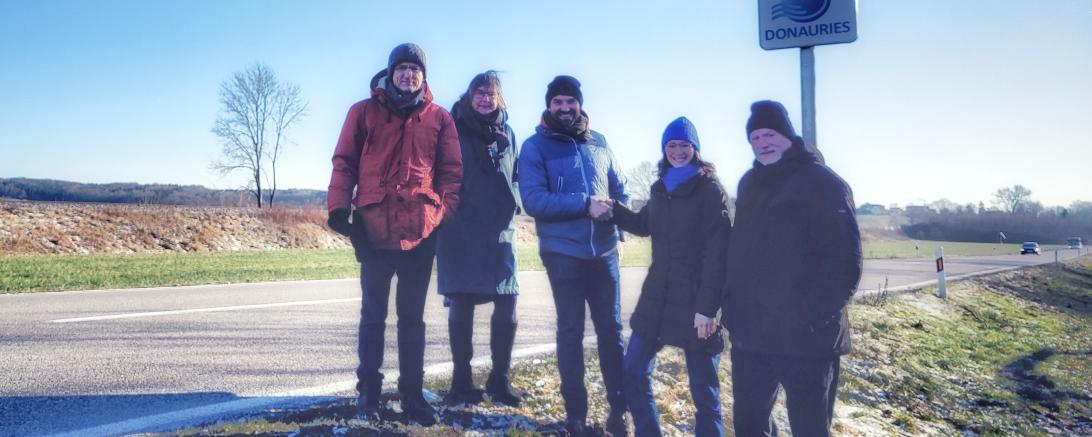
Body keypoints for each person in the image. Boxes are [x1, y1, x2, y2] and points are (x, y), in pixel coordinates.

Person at [326, 43, 462, 426]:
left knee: (412, 319)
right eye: (401, 68)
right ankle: (368, 394)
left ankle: (413, 395)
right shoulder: (363, 112)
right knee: (372, 316)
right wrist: (339, 208)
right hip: (372, 231)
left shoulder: (439, 119)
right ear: (390, 73)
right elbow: (344, 162)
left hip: (420, 233)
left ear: (424, 75)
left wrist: (439, 214)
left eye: (414, 69)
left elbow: (451, 174)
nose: (408, 75)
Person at [721, 100, 862, 437]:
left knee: (810, 429)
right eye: (754, 138)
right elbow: (738, 252)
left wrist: (810, 318)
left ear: (787, 136)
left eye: (769, 134)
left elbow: (844, 262)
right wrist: (733, 311)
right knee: (749, 426)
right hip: (753, 336)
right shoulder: (749, 184)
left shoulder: (824, 183)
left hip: (807, 339)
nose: (762, 143)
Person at [518, 75, 630, 436]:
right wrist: (584, 205)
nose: (564, 108)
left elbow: (619, 189)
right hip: (563, 253)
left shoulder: (599, 142)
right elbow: (533, 200)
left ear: (579, 103)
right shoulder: (535, 146)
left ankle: (619, 412)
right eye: (557, 103)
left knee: (612, 332)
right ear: (549, 107)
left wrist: (623, 233)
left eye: (570, 101)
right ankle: (576, 416)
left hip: (605, 253)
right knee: (571, 332)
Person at [613, 117, 731, 437]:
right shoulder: (660, 187)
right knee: (633, 371)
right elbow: (642, 225)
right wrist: (612, 210)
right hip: (658, 297)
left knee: (705, 393)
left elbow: (718, 255)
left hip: (696, 302)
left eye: (684, 145)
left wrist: (708, 309)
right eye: (671, 145)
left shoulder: (709, 191)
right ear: (664, 149)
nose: (678, 151)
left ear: (695, 149)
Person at [435, 71, 523, 406]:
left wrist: (513, 204)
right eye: (480, 94)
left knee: (507, 301)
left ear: (499, 98)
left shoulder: (509, 133)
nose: (486, 99)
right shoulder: (451, 128)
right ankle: (461, 383)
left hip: (500, 229)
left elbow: (515, 177)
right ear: (470, 96)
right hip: (460, 227)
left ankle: (499, 380)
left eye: (492, 94)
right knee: (462, 300)